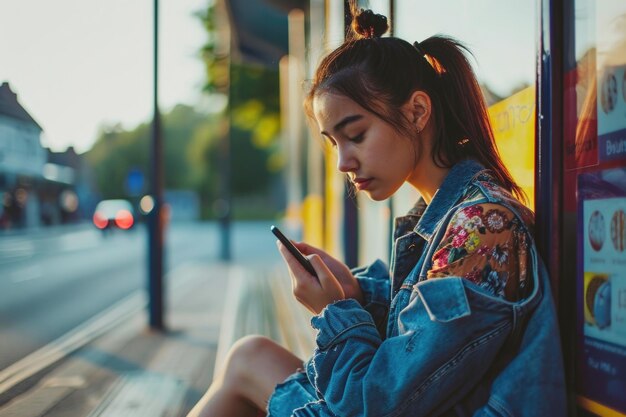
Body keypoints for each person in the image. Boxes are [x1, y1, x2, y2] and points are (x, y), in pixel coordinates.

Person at [187, 6, 566, 417]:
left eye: (356, 135)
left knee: (247, 360)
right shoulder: (446, 218)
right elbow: (420, 349)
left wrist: (334, 310)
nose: (343, 163)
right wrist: (356, 292)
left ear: (417, 112)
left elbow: (375, 405)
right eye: (334, 143)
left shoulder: (481, 228)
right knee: (249, 355)